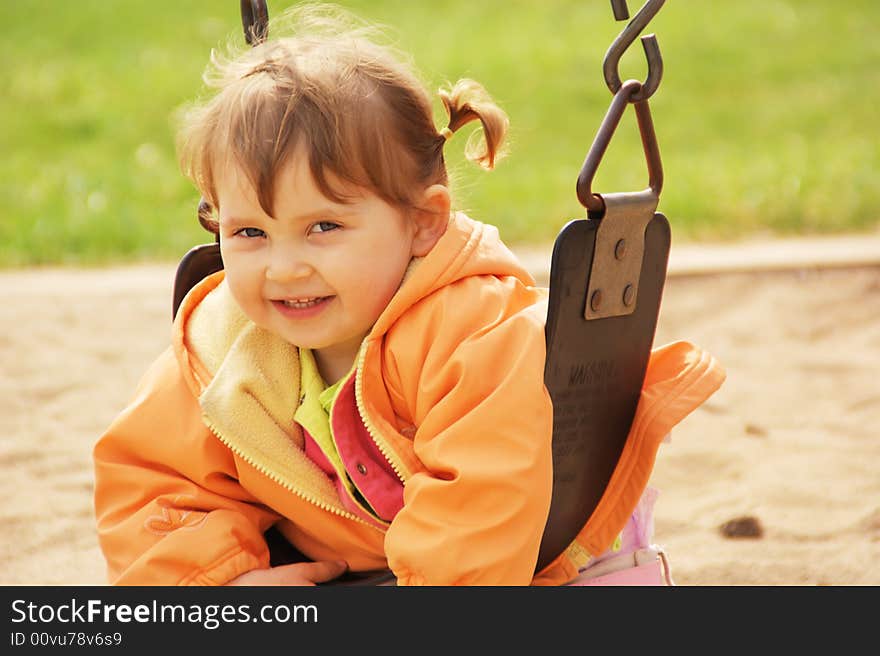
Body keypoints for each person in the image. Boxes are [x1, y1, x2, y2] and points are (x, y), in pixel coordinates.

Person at [93, 3, 724, 586]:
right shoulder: (220, 345)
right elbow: (153, 478)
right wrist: (218, 580)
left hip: (538, 550)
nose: (283, 269)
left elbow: (483, 501)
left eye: (324, 227)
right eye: (250, 232)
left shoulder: (472, 331)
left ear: (423, 222)